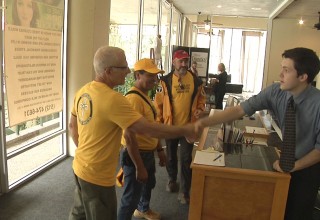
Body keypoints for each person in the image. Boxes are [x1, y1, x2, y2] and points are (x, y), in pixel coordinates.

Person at [68, 46, 200, 220]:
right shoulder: (114, 99)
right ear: (108, 71)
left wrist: (85, 152)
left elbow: (72, 126)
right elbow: (148, 129)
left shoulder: (84, 90)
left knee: (79, 214)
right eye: (123, 67)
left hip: (80, 166)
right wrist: (184, 129)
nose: (128, 71)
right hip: (97, 176)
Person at [197, 47, 320, 220]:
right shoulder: (276, 91)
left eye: (286, 70)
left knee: (297, 213)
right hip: (283, 158)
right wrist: (205, 122)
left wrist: (295, 166)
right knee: (274, 209)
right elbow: (240, 109)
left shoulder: (317, 104)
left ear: (303, 77)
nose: (280, 75)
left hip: (307, 167)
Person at [154, 49, 206, 204]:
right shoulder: (165, 81)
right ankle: (171, 179)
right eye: (181, 61)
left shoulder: (196, 81)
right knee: (170, 157)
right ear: (173, 62)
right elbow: (158, 104)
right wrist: (159, 123)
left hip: (188, 128)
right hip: (170, 127)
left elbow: (202, 100)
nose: (184, 64)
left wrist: (199, 111)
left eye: (186, 61)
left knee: (185, 159)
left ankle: (184, 191)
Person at [117, 58, 165, 220]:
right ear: (138, 75)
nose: (154, 79)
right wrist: (139, 166)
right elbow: (128, 137)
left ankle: (143, 209)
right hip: (136, 155)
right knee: (130, 197)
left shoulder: (144, 96)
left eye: (156, 76)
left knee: (148, 185)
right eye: (150, 75)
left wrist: (159, 149)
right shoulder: (133, 99)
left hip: (147, 152)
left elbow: (151, 126)